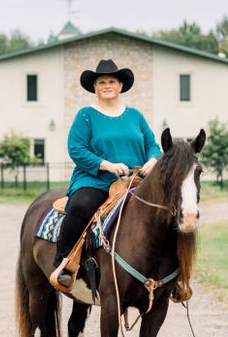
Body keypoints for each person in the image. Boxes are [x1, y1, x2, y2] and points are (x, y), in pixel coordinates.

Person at [51, 58, 162, 290]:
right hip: (96, 179)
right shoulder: (86, 115)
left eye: (112, 81)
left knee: (167, 211)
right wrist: (107, 165)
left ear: (121, 86)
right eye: (102, 82)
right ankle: (65, 262)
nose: (107, 85)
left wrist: (152, 160)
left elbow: (152, 144)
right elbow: (76, 148)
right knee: (80, 206)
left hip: (135, 181)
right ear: (95, 87)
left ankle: (174, 273)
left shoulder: (135, 116)